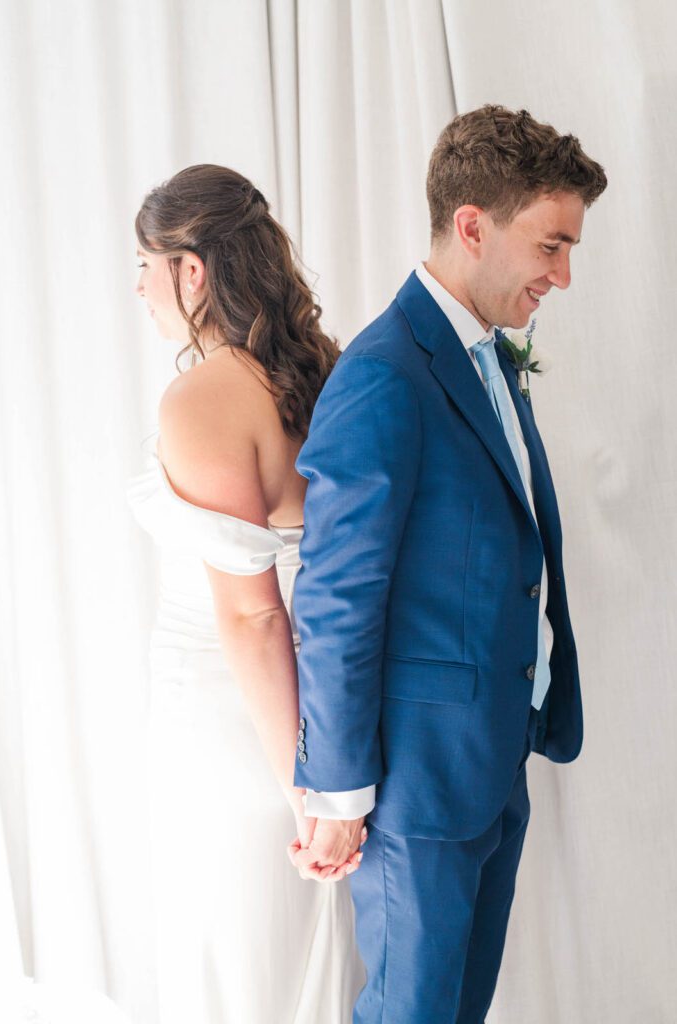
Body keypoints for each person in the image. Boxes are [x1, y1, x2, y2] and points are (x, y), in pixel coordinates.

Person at [289, 105, 607, 1021]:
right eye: (551, 245)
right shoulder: (387, 373)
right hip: (415, 797)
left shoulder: (487, 360)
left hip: (489, 768)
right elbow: (338, 596)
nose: (565, 275)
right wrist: (340, 792)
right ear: (473, 226)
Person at [126, 165, 365, 1024]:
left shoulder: (201, 399)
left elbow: (253, 612)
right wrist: (331, 776)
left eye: (145, 266)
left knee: (229, 961)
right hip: (315, 710)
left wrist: (302, 789)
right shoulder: (326, 372)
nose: (139, 288)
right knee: (296, 948)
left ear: (193, 271)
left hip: (236, 722)